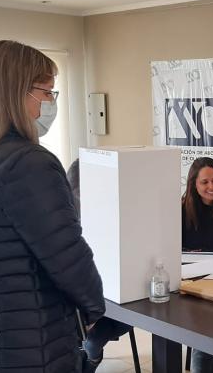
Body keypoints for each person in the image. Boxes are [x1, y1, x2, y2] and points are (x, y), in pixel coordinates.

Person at [0, 40, 105, 372]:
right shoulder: (28, 163)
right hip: (28, 347)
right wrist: (93, 310)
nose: (50, 103)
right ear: (15, 93)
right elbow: (69, 257)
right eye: (46, 92)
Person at [66, 159, 133, 373]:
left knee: (90, 344)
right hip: (84, 305)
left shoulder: (122, 216)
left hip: (117, 304)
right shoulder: (69, 218)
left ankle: (91, 361)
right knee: (77, 343)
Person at [181, 157, 213, 373]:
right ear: (194, 184)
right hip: (191, 282)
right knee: (207, 329)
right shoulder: (181, 211)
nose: (212, 187)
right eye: (205, 182)